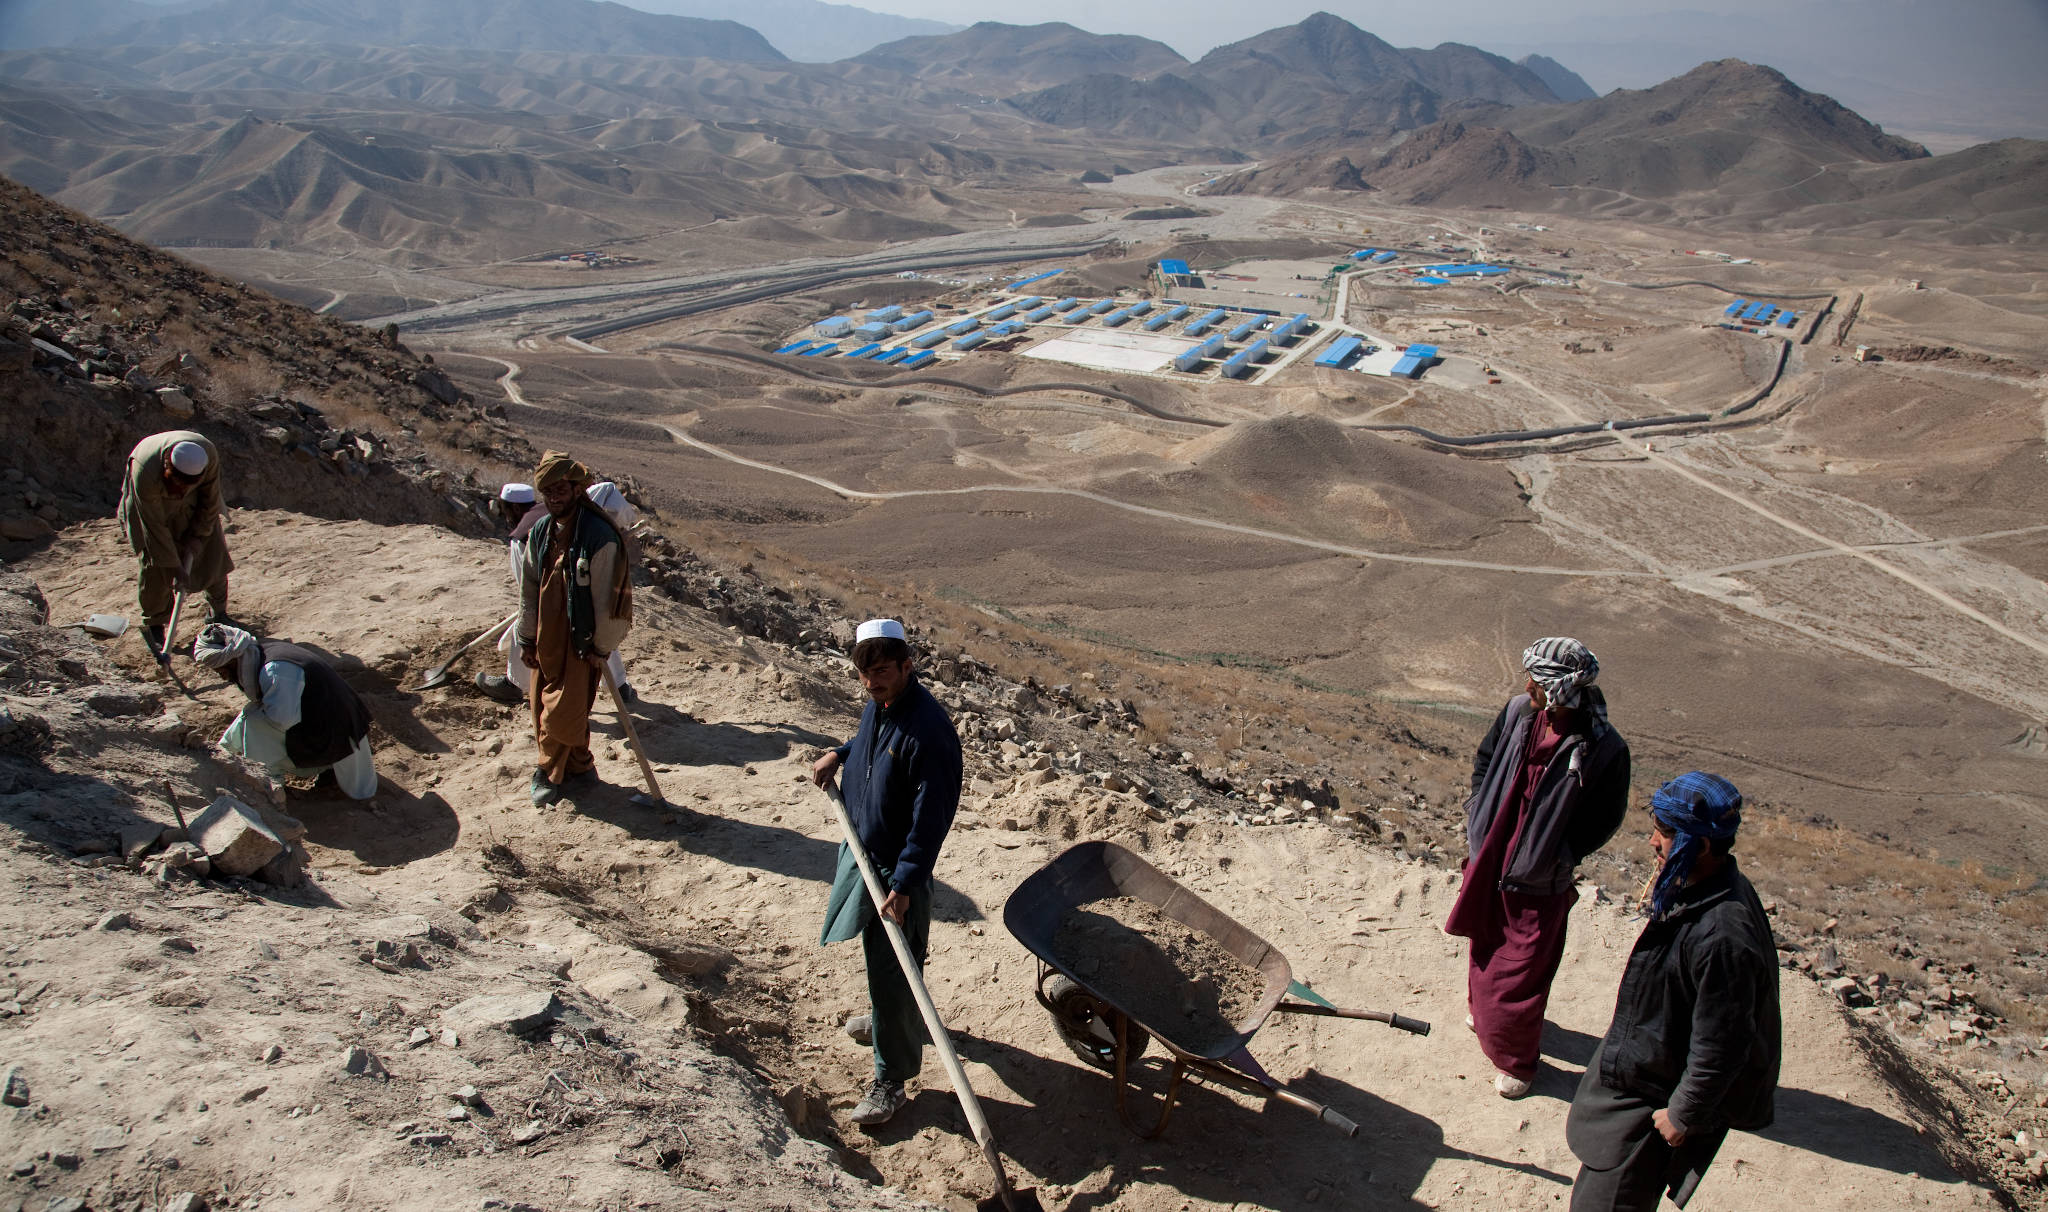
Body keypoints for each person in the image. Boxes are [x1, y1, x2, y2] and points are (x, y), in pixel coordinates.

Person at [1568, 772, 1780, 1210]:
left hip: (1654, 1103)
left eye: (1664, 833)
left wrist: (1684, 1112)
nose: (1652, 842)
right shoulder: (1709, 887)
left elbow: (1723, 1041)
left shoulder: (1723, 934)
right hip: (1648, 1072)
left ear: (1700, 846)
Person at [1445, 636, 1631, 1098]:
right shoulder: (1517, 713)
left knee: (1520, 968)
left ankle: (1517, 1063)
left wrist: (1562, 853)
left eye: (1536, 679)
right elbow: (1486, 760)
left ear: (1558, 688)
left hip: (1539, 876)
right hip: (1492, 853)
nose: (1527, 685)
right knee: (1485, 939)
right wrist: (1477, 811)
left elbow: (1605, 817)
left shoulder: (1603, 749)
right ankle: (1486, 1016)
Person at [810, 619, 962, 1127]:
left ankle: (891, 1079)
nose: (870, 683)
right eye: (864, 674)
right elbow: (870, 744)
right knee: (883, 961)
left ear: (906, 666)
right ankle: (888, 1023)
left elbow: (930, 820)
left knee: (895, 967)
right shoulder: (882, 705)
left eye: (880, 673)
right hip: (865, 852)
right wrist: (841, 753)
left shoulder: (931, 733)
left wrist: (903, 883)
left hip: (897, 871)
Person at [517, 452, 631, 806]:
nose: (555, 496)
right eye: (548, 490)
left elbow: (610, 601)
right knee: (544, 704)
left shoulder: (599, 536)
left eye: (562, 488)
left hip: (581, 642)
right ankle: (580, 768)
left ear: (577, 488)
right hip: (546, 638)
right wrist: (527, 636)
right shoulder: (541, 531)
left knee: (563, 711)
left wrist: (602, 646)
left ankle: (547, 771)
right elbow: (529, 587)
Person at [191, 623, 377, 800]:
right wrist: (222, 750)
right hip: (328, 725)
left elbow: (282, 720)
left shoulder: (274, 669)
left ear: (231, 658)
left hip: (337, 734)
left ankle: (269, 785)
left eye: (220, 668)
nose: (220, 674)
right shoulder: (259, 653)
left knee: (256, 724)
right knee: (255, 716)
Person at [118, 430, 232, 656]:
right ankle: (155, 625)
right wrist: (174, 566)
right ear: (168, 468)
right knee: (155, 564)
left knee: (212, 553)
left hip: (193, 502)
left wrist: (198, 537)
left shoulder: (207, 454)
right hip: (151, 504)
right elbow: (154, 527)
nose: (181, 489)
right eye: (178, 483)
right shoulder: (146, 471)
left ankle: (218, 613)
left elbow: (209, 501)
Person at [475, 482, 542, 704]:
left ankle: (514, 684)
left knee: (524, 629)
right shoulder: (549, 512)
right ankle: (620, 686)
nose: (505, 517)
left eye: (505, 510)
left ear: (514, 508)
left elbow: (527, 585)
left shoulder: (521, 536)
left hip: (548, 598)